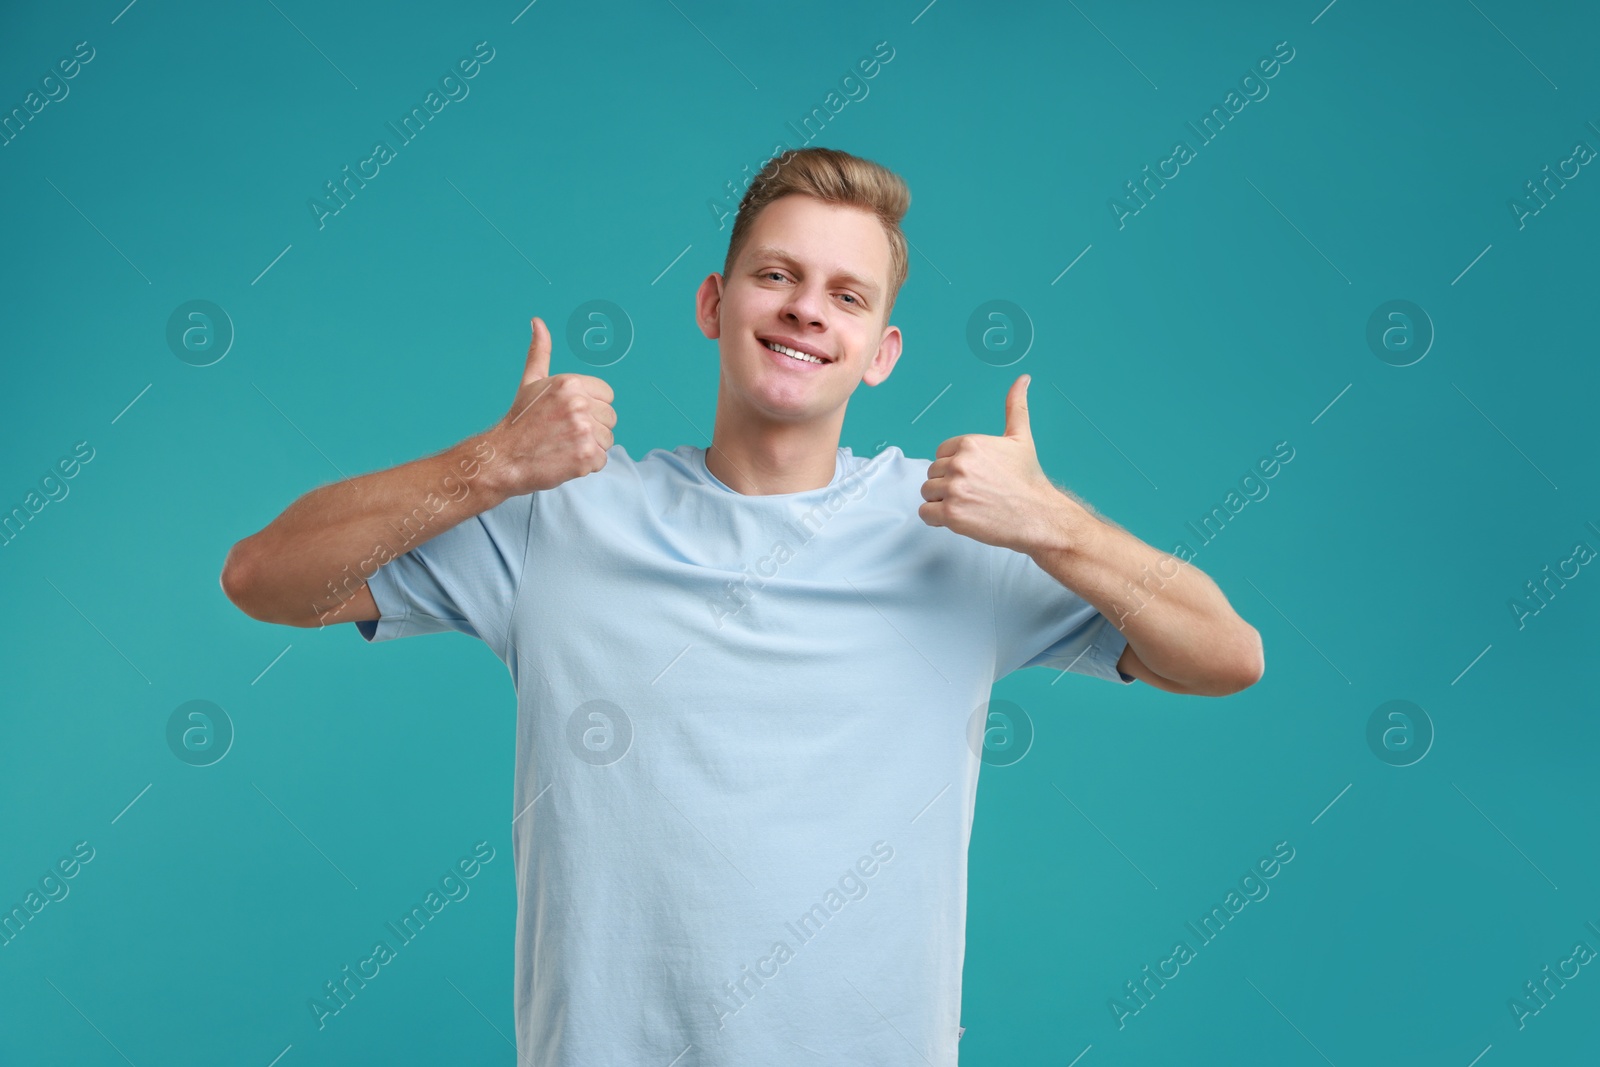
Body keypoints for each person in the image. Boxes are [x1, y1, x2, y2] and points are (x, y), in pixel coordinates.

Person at [220, 146, 1263, 1065]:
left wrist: (1056, 526)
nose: (808, 307)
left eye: (848, 296)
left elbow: (1224, 654)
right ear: (715, 304)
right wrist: (487, 465)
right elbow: (264, 577)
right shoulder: (559, 515)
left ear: (881, 351)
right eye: (778, 275)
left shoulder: (956, 526)